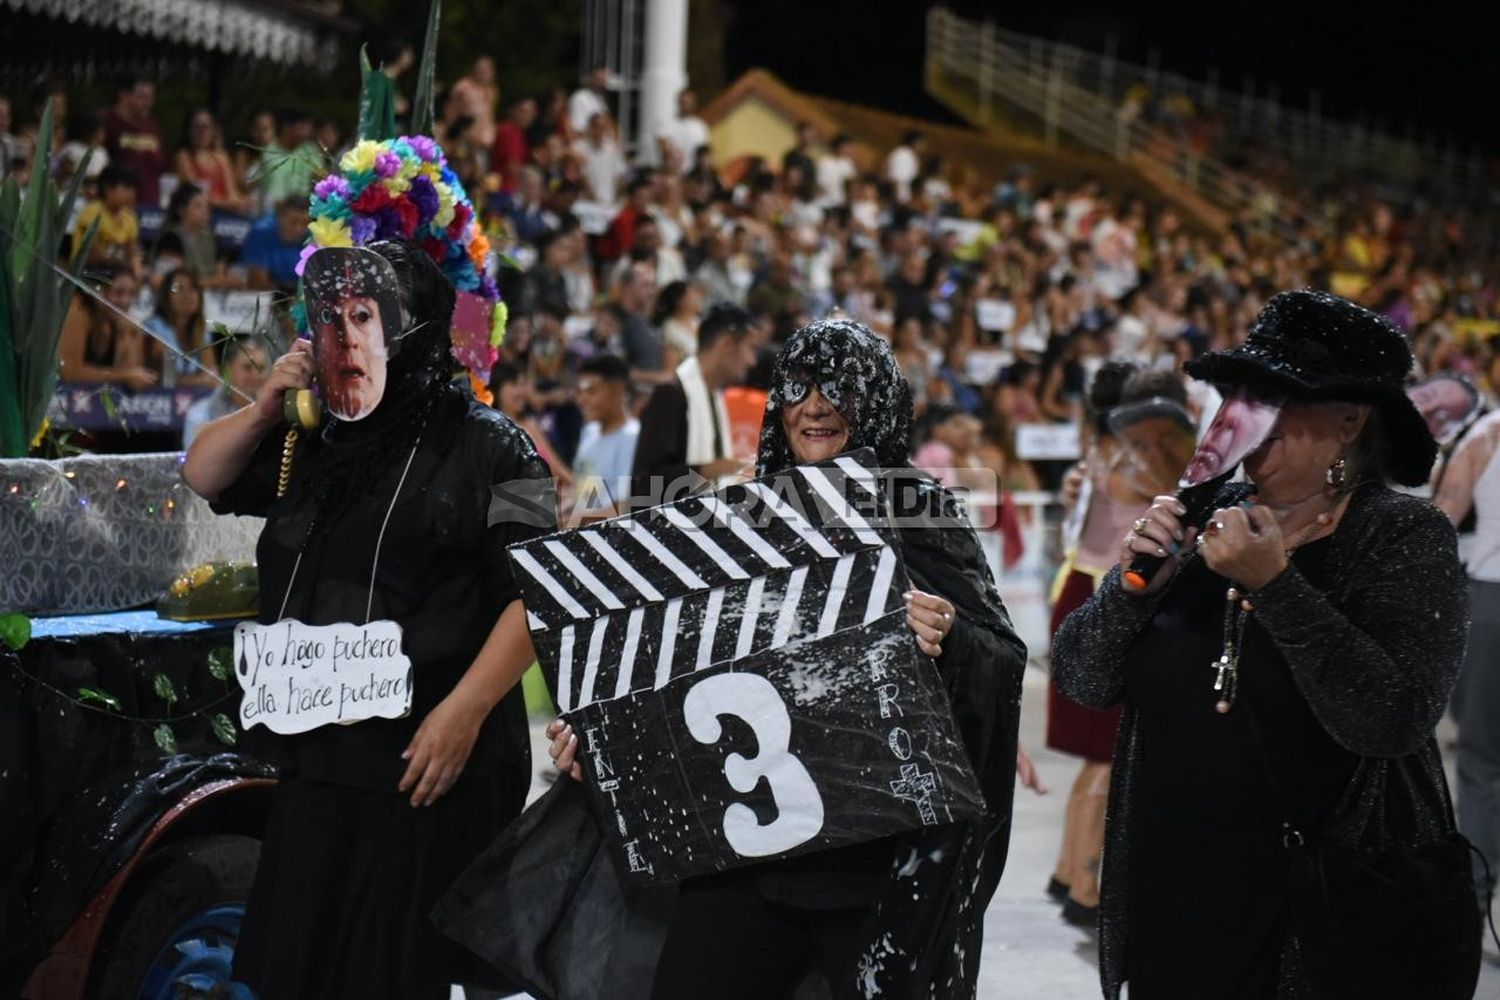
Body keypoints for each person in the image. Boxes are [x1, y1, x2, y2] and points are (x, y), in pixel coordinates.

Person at [476, 317, 1026, 998]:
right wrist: (599, 732)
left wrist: (951, 640)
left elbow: (1000, 654)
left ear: (878, 398)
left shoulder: (921, 509)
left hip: (877, 867)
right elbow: (668, 668)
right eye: (797, 384)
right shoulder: (736, 513)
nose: (815, 404)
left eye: (839, 385)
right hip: (745, 852)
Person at [1052, 291, 1472, 999]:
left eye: (1283, 401)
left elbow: (1393, 718)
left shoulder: (1401, 536)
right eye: (1245, 397)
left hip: (1318, 909)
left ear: (1349, 421)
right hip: (1173, 895)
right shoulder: (1204, 516)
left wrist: (1276, 586)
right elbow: (1082, 679)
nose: (1252, 423)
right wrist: (1131, 590)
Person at [182, 239, 551, 1000]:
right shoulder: (314, 439)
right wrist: (266, 408)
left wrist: (463, 712)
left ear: (412, 328)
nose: (343, 337)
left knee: (391, 978)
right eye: (328, 320)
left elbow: (538, 593)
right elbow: (203, 472)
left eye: (364, 316)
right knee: (298, 975)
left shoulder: (499, 447)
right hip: (320, 766)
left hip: (426, 768)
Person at [1045, 364, 1195, 927]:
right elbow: (1184, 500)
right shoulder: (1143, 458)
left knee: (1097, 757)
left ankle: (1068, 871)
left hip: (1088, 590)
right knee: (1109, 757)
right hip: (1111, 600)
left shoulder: (1098, 453)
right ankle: (1086, 888)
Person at [1432, 403, 1500, 907]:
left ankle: (1474, 906)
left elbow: (1441, 522)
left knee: (1480, 762)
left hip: (1491, 599)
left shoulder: (1487, 433)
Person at [630, 303, 757, 502]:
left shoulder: (715, 395)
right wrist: (716, 468)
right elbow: (645, 486)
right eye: (750, 348)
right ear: (726, 344)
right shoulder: (670, 394)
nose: (752, 360)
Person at [57, 265, 156, 392]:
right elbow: (71, 373)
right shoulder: (79, 309)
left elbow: (134, 381)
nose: (125, 301)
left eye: (131, 294)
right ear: (98, 290)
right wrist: (125, 376)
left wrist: (130, 337)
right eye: (118, 292)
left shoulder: (115, 322)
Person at [569, 354, 638, 518]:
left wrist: (571, 523)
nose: (582, 400)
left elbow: (625, 507)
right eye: (580, 391)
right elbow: (584, 495)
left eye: (591, 391)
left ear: (618, 391)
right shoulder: (589, 432)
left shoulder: (632, 438)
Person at [182, 334, 270, 448]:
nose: (256, 375)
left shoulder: (274, 413)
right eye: (247, 367)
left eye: (261, 368)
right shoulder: (200, 416)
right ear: (228, 370)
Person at [142, 267, 214, 387]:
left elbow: (211, 376)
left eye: (193, 288)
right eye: (178, 288)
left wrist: (201, 380)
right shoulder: (154, 328)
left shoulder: (202, 332)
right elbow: (166, 379)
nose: (187, 295)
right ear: (166, 296)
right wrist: (198, 381)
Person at [175, 108, 255, 216]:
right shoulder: (184, 156)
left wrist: (244, 202)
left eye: (205, 127)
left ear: (213, 131)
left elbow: (231, 193)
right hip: (198, 214)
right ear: (189, 130)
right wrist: (228, 205)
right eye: (196, 127)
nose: (201, 132)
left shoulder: (221, 158)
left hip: (223, 215)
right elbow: (193, 195)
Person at [102, 76, 166, 208]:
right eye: (142, 97)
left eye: (150, 97)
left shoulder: (152, 127)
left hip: (149, 207)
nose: (148, 103)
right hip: (116, 207)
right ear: (124, 95)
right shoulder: (107, 121)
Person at [74, 166, 143, 282]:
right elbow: (93, 257)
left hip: (116, 276)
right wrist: (123, 261)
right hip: (87, 275)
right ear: (108, 189)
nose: (131, 194)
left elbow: (132, 255)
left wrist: (137, 277)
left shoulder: (130, 219)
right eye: (126, 188)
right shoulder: (92, 212)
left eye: (133, 189)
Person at [242, 196, 310, 293]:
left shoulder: (311, 237)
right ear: (280, 216)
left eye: (305, 223)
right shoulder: (261, 233)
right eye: (293, 221)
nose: (299, 229)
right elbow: (257, 284)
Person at [258, 108, 320, 208]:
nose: (307, 133)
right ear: (286, 127)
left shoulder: (310, 149)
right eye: (302, 128)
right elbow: (275, 196)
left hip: (303, 209)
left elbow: (321, 178)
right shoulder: (270, 153)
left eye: (309, 128)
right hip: (274, 211)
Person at [446, 56, 500, 149]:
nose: (485, 74)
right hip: (464, 139)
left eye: (488, 71)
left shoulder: (492, 91)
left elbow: (489, 115)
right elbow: (450, 109)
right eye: (482, 70)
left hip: (484, 142)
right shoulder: (463, 87)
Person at [655, 90, 710, 172]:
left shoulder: (700, 126)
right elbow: (664, 149)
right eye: (683, 102)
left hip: (694, 174)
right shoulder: (666, 124)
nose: (685, 105)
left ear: (694, 104)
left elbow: (704, 152)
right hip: (672, 172)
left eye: (688, 102)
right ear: (678, 103)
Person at [652, 279, 702, 369]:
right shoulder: (670, 330)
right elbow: (670, 370)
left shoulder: (698, 322)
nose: (697, 298)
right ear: (680, 301)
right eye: (692, 295)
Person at [492, 97, 537, 194]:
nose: (527, 117)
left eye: (531, 113)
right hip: (506, 189)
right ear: (513, 111)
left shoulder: (519, 133)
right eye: (523, 112)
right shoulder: (508, 131)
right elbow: (512, 166)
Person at [816, 133, 858, 208]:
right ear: (839, 146)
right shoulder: (825, 162)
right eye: (847, 146)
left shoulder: (848, 164)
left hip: (840, 204)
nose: (849, 150)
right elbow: (819, 185)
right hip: (824, 203)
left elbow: (852, 185)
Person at [568, 66, 611, 137]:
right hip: (587, 143)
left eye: (604, 80)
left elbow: (608, 123)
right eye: (598, 79)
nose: (602, 83)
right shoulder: (579, 97)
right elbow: (578, 129)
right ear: (590, 79)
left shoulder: (600, 98)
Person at [885, 129, 925, 204]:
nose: (924, 147)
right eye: (922, 143)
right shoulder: (902, 155)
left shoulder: (911, 156)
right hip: (898, 199)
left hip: (905, 199)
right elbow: (896, 179)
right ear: (915, 142)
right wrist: (898, 203)